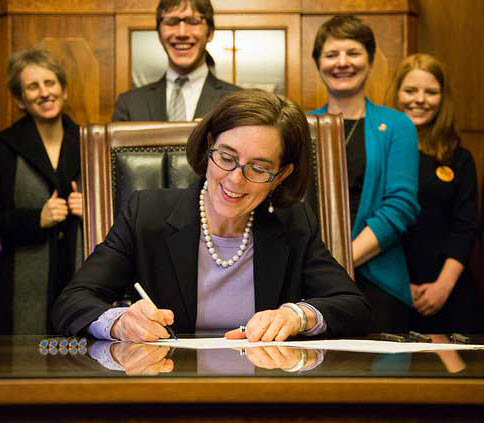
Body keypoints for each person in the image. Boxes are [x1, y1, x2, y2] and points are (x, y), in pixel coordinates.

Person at [53, 89, 372, 342]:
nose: (235, 179)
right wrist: (119, 322)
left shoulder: (294, 223)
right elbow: (73, 301)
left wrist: (296, 316)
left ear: (282, 175)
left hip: (265, 388)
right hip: (170, 385)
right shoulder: (146, 214)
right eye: (227, 157)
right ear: (208, 147)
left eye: (259, 168)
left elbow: (353, 306)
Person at [309, 15, 420, 332]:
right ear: (318, 63)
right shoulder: (299, 125)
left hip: (379, 285)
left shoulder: (397, 125)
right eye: (331, 54)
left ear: (370, 61)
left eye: (353, 53)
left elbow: (400, 207)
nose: (342, 63)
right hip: (311, 286)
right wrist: (319, 270)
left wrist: (339, 263)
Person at [387, 53, 478, 333]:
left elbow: (465, 227)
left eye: (431, 92)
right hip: (389, 288)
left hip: (448, 292)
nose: (420, 99)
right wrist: (401, 284)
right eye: (411, 90)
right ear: (397, 94)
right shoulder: (382, 153)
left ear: (443, 98)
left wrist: (442, 287)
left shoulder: (458, 158)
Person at [0, 48, 83, 335]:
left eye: (50, 83)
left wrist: (95, 208)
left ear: (64, 90)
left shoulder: (91, 142)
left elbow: (125, 214)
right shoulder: (4, 147)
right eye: (32, 87)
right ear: (19, 99)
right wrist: (37, 219)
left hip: (82, 282)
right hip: (22, 291)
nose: (44, 93)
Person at [112, 0, 240, 122]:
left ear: (210, 32)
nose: (182, 33)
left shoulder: (238, 101)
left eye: (193, 21)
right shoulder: (130, 104)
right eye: (171, 22)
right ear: (159, 34)